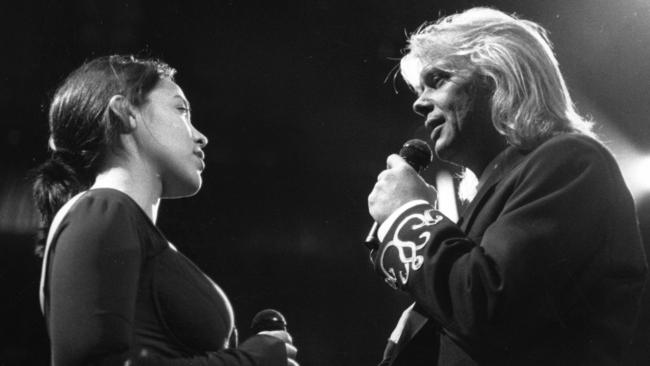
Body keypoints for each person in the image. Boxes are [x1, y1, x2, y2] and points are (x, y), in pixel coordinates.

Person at [367, 7, 647, 365]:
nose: (419, 103)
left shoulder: (570, 160)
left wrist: (408, 215)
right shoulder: (491, 200)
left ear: (497, 75)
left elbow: (488, 304)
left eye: (437, 80)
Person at [33, 55, 298, 366]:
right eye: (181, 109)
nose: (201, 136)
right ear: (125, 112)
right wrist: (249, 361)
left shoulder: (114, 217)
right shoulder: (104, 209)